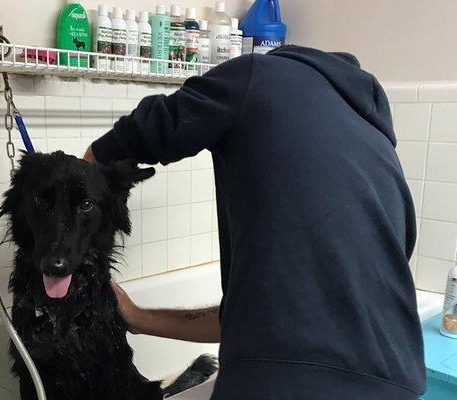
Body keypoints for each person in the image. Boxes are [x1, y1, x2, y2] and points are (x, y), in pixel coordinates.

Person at [83, 46, 425, 400]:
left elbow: (137, 136)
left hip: (289, 386)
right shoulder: (377, 145)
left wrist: (84, 178)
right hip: (397, 385)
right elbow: (255, 324)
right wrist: (138, 317)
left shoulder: (258, 75)